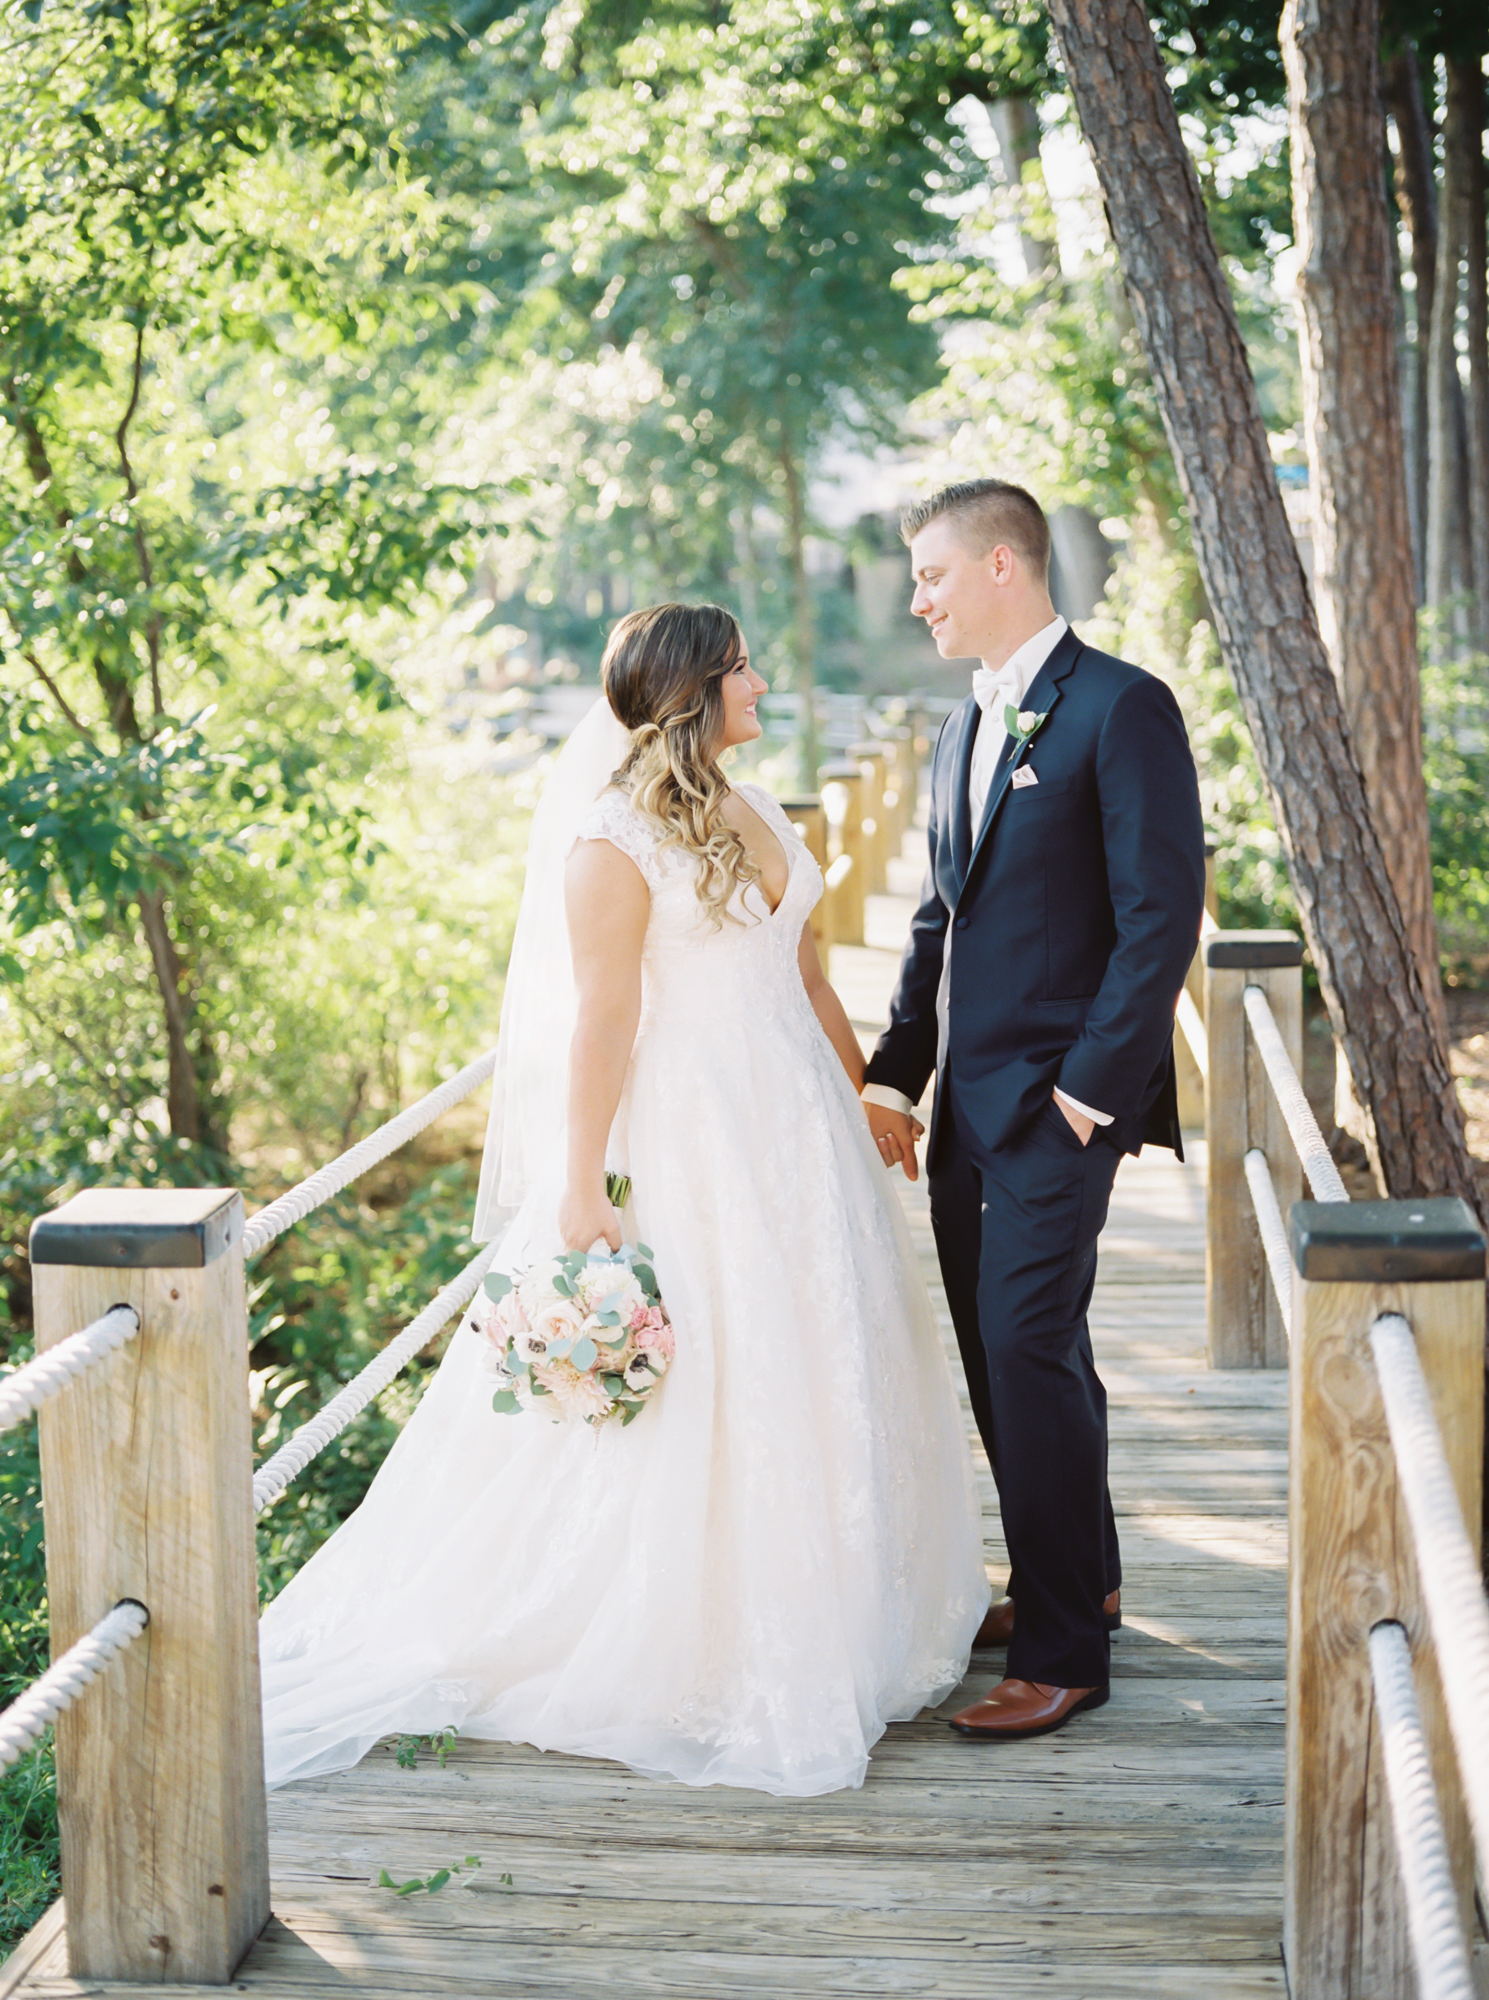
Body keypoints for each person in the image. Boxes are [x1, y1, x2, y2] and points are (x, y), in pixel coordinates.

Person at [258, 601, 987, 1798]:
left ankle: (837, 1605)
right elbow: (601, 1020)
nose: (762, 680)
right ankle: (700, 1640)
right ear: (695, 692)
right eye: (743, 666)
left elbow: (803, 967)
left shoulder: (757, 806)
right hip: (695, 1131)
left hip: (798, 1127)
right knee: (719, 1366)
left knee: (820, 1351)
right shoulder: (609, 842)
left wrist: (868, 1099)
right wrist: (581, 1179)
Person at [863, 479, 1206, 1741]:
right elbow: (936, 918)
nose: (919, 598)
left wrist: (1084, 1093)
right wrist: (896, 1071)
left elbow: (1159, 915)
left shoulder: (1122, 707)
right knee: (1008, 1352)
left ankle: (1066, 1650)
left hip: (1060, 1104)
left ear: (1003, 564)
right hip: (964, 1107)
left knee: (1025, 1342)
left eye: (934, 576)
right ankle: (1079, 1571)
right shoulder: (962, 728)